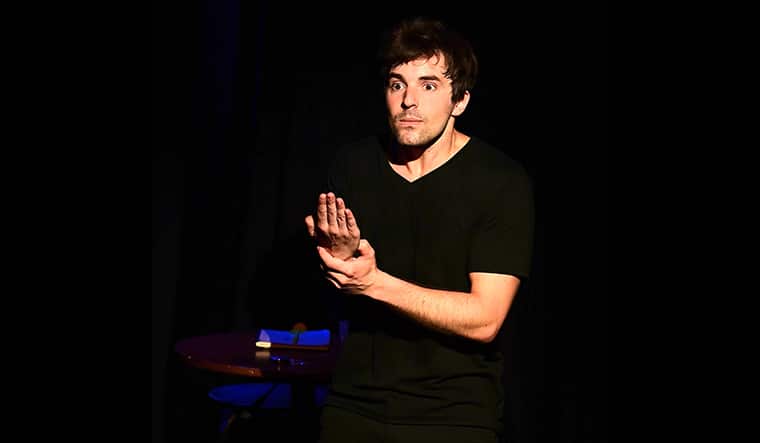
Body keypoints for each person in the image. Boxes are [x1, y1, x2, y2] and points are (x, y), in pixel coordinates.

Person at [304, 16, 534, 443]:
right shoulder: (353, 165)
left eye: (428, 86)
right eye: (397, 84)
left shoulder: (500, 181)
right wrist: (338, 257)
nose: (408, 100)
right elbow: (340, 289)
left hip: (454, 414)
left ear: (459, 100)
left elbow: (485, 318)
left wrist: (374, 282)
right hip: (354, 402)